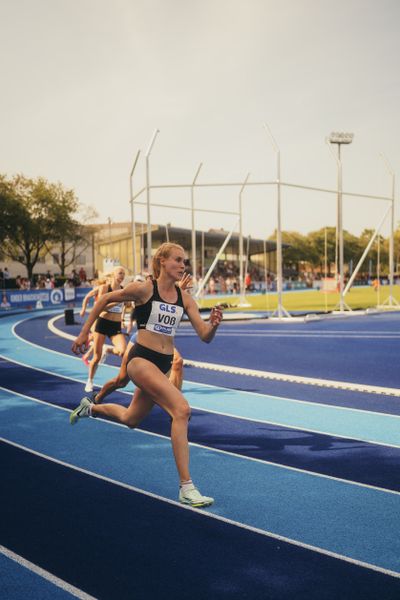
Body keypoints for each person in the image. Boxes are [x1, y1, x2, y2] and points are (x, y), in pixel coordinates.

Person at [71, 243, 223, 508]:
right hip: (140, 360)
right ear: (162, 261)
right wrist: (85, 332)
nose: (182, 265)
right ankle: (187, 487)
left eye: (184, 261)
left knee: (131, 418)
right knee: (181, 410)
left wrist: (213, 325)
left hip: (161, 365)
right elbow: (105, 300)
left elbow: (204, 336)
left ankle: (91, 409)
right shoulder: (144, 289)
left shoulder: (185, 298)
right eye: (177, 260)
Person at [83, 266, 129, 393]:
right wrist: (117, 300)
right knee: (96, 357)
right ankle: (90, 380)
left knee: (123, 351)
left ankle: (108, 349)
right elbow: (101, 308)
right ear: (114, 275)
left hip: (115, 326)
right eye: (120, 273)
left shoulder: (123, 291)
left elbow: (123, 307)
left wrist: (122, 320)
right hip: (102, 324)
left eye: (124, 274)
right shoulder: (105, 288)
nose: (122, 276)